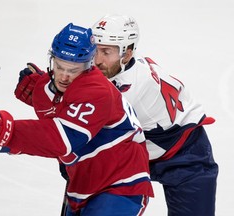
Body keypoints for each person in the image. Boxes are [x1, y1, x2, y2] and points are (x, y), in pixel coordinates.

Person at [0, 23, 154, 216]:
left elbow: (62, 138)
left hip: (121, 184)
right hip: (81, 185)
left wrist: (6, 131)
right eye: (60, 66)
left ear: (88, 65)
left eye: (73, 69)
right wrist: (1, 140)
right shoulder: (44, 89)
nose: (64, 76)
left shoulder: (97, 91)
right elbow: (47, 137)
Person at [91, 14, 219, 216]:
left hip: (186, 155)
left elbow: (79, 126)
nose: (97, 60)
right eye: (95, 50)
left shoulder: (130, 91)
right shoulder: (128, 67)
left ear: (127, 53)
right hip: (141, 150)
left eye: (106, 52)